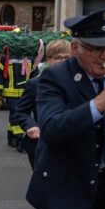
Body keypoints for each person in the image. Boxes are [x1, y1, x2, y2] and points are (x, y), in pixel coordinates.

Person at [26, 9, 105, 209]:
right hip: (67, 190)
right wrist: (98, 104)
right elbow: (52, 128)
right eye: (96, 49)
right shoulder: (54, 77)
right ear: (75, 48)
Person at [13, 39, 71, 169]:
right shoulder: (34, 84)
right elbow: (21, 111)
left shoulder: (79, 83)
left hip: (72, 144)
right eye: (58, 58)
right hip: (42, 144)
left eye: (67, 58)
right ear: (49, 60)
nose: (63, 62)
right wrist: (30, 126)